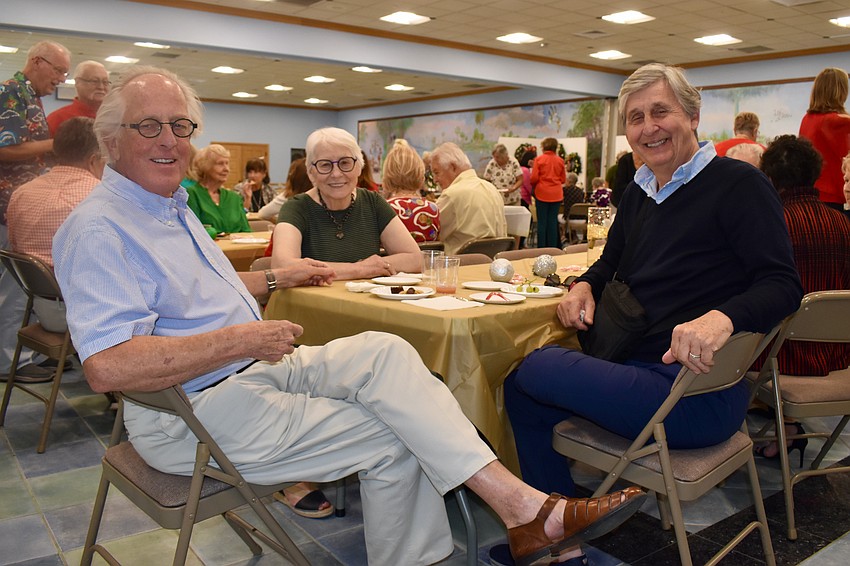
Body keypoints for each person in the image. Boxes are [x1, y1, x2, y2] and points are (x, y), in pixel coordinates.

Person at [52, 66, 644, 566]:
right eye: (149, 127)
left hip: (242, 372)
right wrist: (240, 338)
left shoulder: (166, 206)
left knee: (389, 352)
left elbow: (201, 291)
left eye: (180, 126)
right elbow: (107, 366)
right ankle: (521, 516)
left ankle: (521, 510)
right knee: (397, 435)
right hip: (190, 412)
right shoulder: (99, 228)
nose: (170, 140)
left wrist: (283, 277)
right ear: (110, 139)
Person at [502, 63, 803, 566]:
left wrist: (722, 318)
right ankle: (558, 532)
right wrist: (582, 285)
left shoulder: (739, 185)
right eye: (636, 118)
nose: (648, 127)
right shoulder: (641, 190)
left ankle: (554, 527)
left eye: (660, 111)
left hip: (692, 394)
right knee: (522, 388)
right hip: (639, 375)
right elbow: (610, 262)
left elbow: (783, 285)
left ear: (692, 115)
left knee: (534, 367)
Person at [751, 135, 850, 459]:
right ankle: (789, 428)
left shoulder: (771, 225)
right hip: (838, 358)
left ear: (769, 177)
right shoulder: (844, 225)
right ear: (815, 172)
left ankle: (717, 441)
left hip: (779, 357)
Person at [0, 40, 71, 382]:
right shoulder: (11, 92)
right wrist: (56, 145)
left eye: (65, 72)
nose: (60, 78)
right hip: (7, 208)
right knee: (13, 289)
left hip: (21, 207)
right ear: (37, 62)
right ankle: (6, 361)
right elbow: (5, 149)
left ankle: (21, 354)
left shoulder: (30, 99)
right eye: (58, 70)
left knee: (22, 290)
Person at [272, 128, 421, 280]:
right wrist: (359, 269)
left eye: (345, 163)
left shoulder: (374, 203)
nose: (336, 174)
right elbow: (282, 267)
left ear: (359, 167)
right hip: (312, 303)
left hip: (365, 302)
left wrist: (320, 271)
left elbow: (415, 259)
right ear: (311, 172)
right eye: (325, 165)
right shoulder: (296, 208)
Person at [8, 117, 103, 268]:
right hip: (82, 287)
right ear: (93, 161)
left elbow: (14, 246)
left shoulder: (20, 193)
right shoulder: (102, 198)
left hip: (28, 286)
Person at [432, 142, 507, 255]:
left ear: (453, 167)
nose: (435, 180)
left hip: (461, 267)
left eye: (437, 172)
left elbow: (431, 234)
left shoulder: (452, 194)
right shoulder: (492, 189)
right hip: (494, 265)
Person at [799, 67, 850, 220]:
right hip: (837, 198)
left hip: (812, 196)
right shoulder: (840, 122)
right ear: (840, 90)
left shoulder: (807, 119)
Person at [183, 144, 250, 237]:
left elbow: (247, 231)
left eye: (227, 163)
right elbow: (193, 232)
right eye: (220, 164)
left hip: (238, 250)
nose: (226, 169)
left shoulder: (234, 197)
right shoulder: (191, 194)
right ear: (205, 166)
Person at [383, 139, 440, 242]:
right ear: (420, 172)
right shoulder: (434, 209)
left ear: (388, 174)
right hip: (425, 258)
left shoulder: (382, 209)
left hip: (393, 258)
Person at [46, 60, 110, 135]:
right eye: (94, 81)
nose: (101, 87)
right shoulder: (58, 119)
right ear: (78, 83)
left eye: (105, 82)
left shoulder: (116, 119)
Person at [531, 137, 566, 249]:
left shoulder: (539, 160)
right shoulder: (560, 161)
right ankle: (552, 248)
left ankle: (541, 248)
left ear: (543, 147)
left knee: (542, 223)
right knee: (552, 222)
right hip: (556, 194)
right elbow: (563, 179)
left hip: (542, 194)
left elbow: (534, 178)